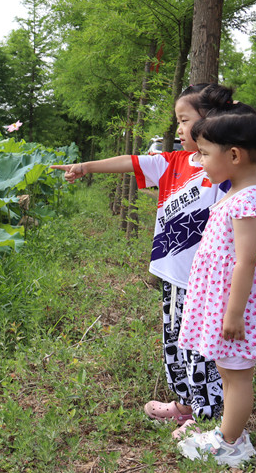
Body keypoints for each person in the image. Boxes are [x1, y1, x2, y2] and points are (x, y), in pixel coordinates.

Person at [51, 84, 233, 436]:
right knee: (173, 341)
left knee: (200, 348)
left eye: (184, 120)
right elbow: (130, 161)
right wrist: (85, 167)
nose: (178, 130)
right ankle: (184, 403)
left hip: (205, 281)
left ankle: (206, 414)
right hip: (172, 276)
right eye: (177, 122)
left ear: (209, 121)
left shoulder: (223, 170)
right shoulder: (173, 162)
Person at [176, 104, 256, 467]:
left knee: (237, 377)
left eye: (205, 154)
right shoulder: (236, 191)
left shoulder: (247, 199)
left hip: (237, 307)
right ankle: (228, 432)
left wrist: (234, 313)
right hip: (226, 302)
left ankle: (230, 443)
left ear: (234, 155)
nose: (200, 161)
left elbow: (247, 260)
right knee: (228, 372)